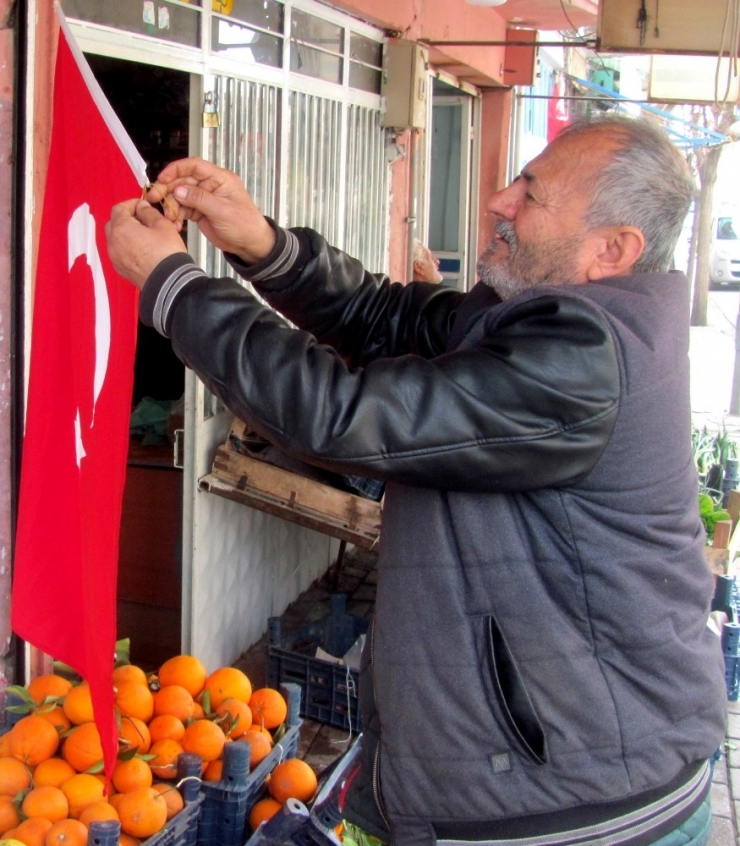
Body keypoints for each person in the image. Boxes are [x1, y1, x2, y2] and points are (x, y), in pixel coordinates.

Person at [106, 113, 727, 846]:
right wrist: (260, 243)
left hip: (575, 807)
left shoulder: (588, 359)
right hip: (555, 773)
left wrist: (174, 286)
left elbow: (340, 415)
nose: (498, 200)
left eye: (531, 193)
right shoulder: (549, 321)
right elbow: (388, 316)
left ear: (612, 249)